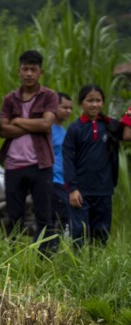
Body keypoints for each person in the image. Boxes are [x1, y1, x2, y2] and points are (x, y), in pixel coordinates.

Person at [0, 50, 59, 245]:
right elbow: (3, 131)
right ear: (19, 71)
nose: (29, 74)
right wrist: (33, 123)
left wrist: (17, 120)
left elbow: (46, 125)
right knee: (14, 215)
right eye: (25, 69)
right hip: (14, 165)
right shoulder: (10, 99)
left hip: (40, 164)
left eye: (33, 69)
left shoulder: (49, 96)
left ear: (41, 72)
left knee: (44, 215)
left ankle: (44, 256)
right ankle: (13, 255)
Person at [63, 85, 131, 246]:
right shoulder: (75, 129)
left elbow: (127, 135)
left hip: (104, 189)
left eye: (98, 100)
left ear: (103, 103)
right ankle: (78, 266)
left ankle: (96, 265)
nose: (94, 104)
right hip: (81, 191)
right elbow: (68, 160)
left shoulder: (110, 126)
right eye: (90, 100)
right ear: (81, 103)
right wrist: (72, 189)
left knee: (101, 231)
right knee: (79, 230)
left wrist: (129, 114)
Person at [51, 92, 73, 233]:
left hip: (64, 181)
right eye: (64, 107)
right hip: (53, 180)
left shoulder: (63, 130)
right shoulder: (47, 129)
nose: (68, 111)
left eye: (70, 108)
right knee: (59, 218)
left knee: (65, 218)